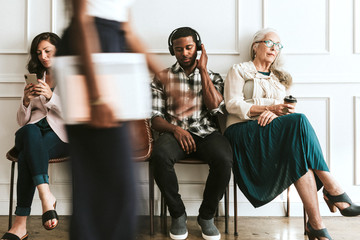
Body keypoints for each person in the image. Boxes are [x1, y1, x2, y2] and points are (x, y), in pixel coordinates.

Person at [224, 28, 360, 240]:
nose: (274, 48)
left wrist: (276, 112)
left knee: (299, 155)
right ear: (255, 46)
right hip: (242, 132)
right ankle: (332, 188)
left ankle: (316, 225)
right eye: (269, 43)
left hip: (269, 133)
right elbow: (232, 105)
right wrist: (270, 108)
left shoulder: (279, 79)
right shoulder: (239, 70)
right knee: (300, 120)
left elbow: (282, 112)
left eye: (278, 45)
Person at [57, 0, 172, 239]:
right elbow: (81, 23)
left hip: (113, 57)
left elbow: (128, 31)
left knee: (118, 184)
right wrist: (96, 97)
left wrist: (166, 78)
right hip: (89, 57)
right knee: (100, 184)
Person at [150, 27, 233, 240]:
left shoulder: (213, 76)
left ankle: (206, 216)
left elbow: (216, 109)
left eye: (189, 48)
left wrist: (203, 70)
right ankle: (178, 214)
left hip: (206, 132)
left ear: (198, 47)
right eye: (179, 49)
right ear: (172, 51)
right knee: (159, 156)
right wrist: (176, 130)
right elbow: (156, 119)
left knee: (224, 158)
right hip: (174, 133)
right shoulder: (162, 77)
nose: (185, 53)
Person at [1, 32, 68, 240]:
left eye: (48, 51)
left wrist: (51, 97)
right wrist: (26, 101)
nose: (43, 56)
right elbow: (22, 121)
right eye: (39, 53)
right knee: (29, 130)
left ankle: (20, 225)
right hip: (31, 131)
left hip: (60, 135)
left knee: (25, 157)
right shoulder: (37, 76)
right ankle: (46, 195)